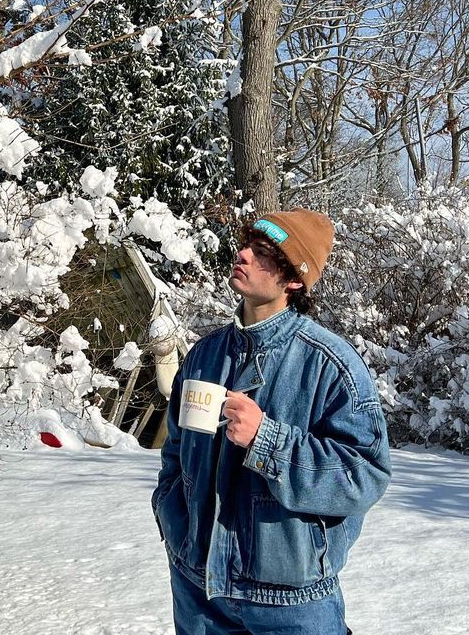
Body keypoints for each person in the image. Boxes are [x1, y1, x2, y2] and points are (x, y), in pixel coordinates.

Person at [152, 210, 391, 635]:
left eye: (262, 253)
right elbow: (176, 452)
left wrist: (268, 440)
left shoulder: (331, 367)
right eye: (247, 245)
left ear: (293, 280)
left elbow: (364, 475)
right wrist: (172, 517)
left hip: (289, 603)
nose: (242, 255)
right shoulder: (204, 356)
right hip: (196, 586)